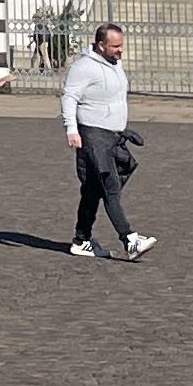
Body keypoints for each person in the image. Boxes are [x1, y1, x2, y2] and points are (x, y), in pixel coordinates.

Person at [61, 20, 150, 260]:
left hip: (113, 135)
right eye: (115, 46)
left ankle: (81, 240)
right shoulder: (84, 67)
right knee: (109, 186)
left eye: (121, 45)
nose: (121, 50)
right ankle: (129, 240)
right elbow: (69, 96)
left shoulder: (115, 64)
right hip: (93, 135)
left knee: (93, 190)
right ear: (101, 45)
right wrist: (71, 129)